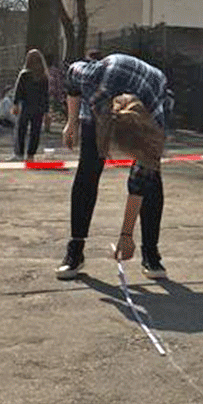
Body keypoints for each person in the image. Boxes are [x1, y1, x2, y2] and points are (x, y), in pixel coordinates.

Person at [57, 52, 170, 280]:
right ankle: (75, 249)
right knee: (87, 172)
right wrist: (72, 123)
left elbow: (138, 181)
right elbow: (70, 79)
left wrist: (126, 235)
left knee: (151, 178)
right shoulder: (92, 78)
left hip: (145, 99)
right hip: (97, 107)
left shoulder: (155, 107)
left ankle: (151, 252)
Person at [12, 49, 49, 160]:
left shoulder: (24, 74)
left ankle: (19, 153)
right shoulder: (43, 76)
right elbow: (45, 95)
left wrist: (15, 104)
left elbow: (18, 90)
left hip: (26, 106)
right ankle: (31, 154)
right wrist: (47, 110)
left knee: (21, 130)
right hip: (39, 107)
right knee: (35, 131)